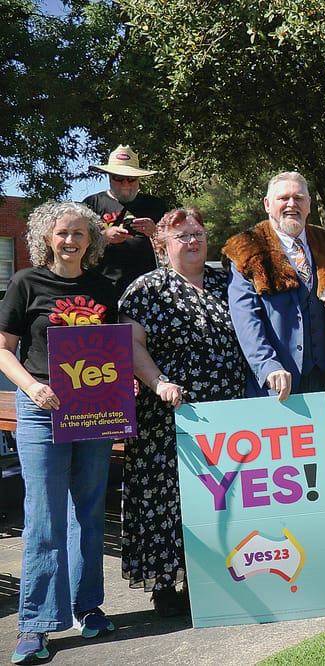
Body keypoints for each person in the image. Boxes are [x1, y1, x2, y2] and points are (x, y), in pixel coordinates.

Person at [0, 202, 118, 663]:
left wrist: (118, 377)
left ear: (91, 240)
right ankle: (36, 625)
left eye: (79, 234)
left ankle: (87, 608)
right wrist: (31, 387)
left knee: (88, 509)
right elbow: (4, 349)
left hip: (94, 410)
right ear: (47, 237)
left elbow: (111, 347)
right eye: (62, 233)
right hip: (41, 408)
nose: (70, 241)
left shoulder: (102, 288)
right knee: (44, 516)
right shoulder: (25, 283)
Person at [119, 208, 247, 617]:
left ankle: (213, 576)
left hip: (226, 410)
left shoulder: (225, 281)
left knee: (220, 495)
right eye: (182, 236)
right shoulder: (145, 290)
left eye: (198, 234)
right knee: (171, 497)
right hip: (169, 412)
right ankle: (167, 585)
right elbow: (131, 346)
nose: (192, 241)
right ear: (162, 244)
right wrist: (158, 383)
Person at [222, 171, 325, 408]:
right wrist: (268, 365)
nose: (291, 204)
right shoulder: (247, 250)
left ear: (309, 204)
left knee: (321, 446)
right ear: (267, 204)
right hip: (275, 383)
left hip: (322, 379)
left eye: (299, 198)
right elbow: (246, 320)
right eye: (283, 198)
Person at [82, 145, 168, 297]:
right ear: (109, 177)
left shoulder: (156, 205)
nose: (125, 184)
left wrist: (155, 233)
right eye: (119, 178)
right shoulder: (92, 203)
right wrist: (104, 238)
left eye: (131, 179)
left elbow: (173, 245)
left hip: (148, 289)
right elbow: (77, 244)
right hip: (102, 287)